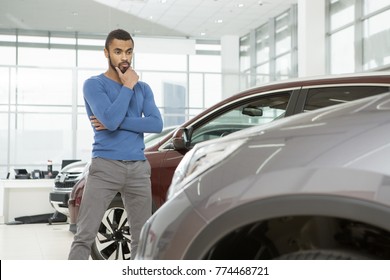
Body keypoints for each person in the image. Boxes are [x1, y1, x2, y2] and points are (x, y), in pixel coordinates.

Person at [68, 29, 163, 260]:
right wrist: (127, 86)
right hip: (105, 167)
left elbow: (156, 124)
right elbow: (110, 120)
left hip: (139, 169)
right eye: (118, 51)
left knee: (141, 238)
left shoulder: (144, 88)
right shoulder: (94, 85)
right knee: (85, 235)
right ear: (106, 53)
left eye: (128, 51)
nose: (124, 58)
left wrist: (117, 123)